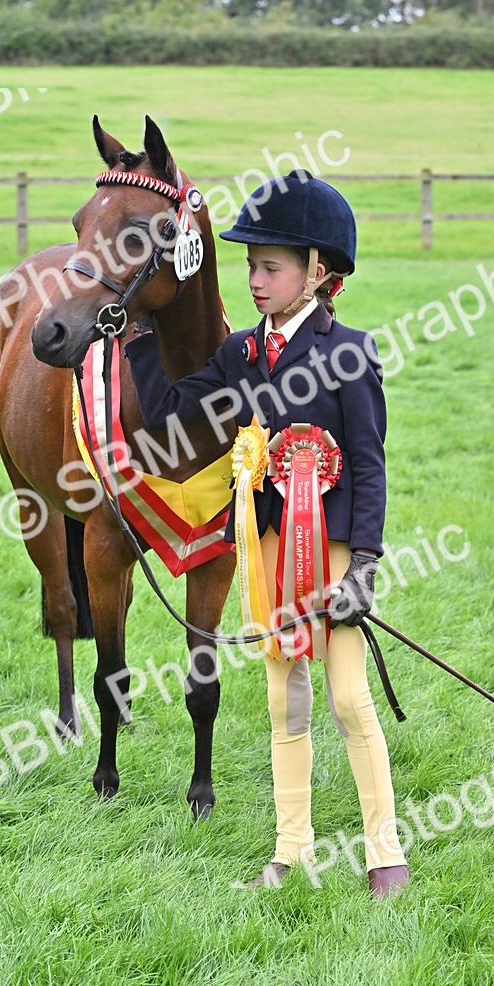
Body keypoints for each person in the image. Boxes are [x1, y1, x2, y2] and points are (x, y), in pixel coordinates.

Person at [124, 169, 409, 898]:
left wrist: (365, 567)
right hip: (271, 549)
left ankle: (385, 854)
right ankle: (291, 851)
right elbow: (166, 414)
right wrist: (137, 335)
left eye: (269, 267)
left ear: (316, 272)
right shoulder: (240, 354)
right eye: (250, 265)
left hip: (335, 549)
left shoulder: (353, 351)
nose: (253, 278)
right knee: (286, 701)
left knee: (347, 698)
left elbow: (370, 467)